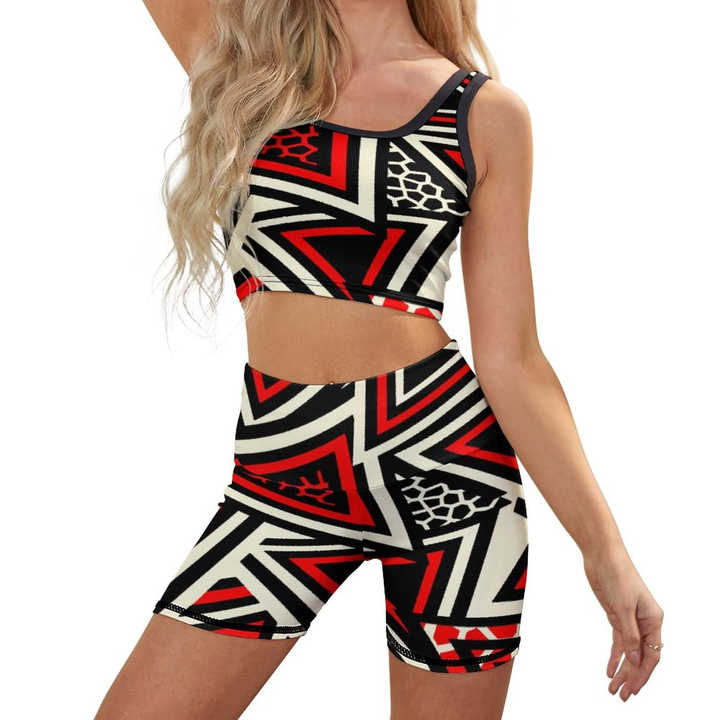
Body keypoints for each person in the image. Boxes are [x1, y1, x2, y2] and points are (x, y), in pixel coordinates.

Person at [94, 1, 664, 718]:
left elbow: (513, 359)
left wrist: (606, 552)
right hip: (284, 478)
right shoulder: (241, 63)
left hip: (448, 477)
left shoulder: (484, 114)